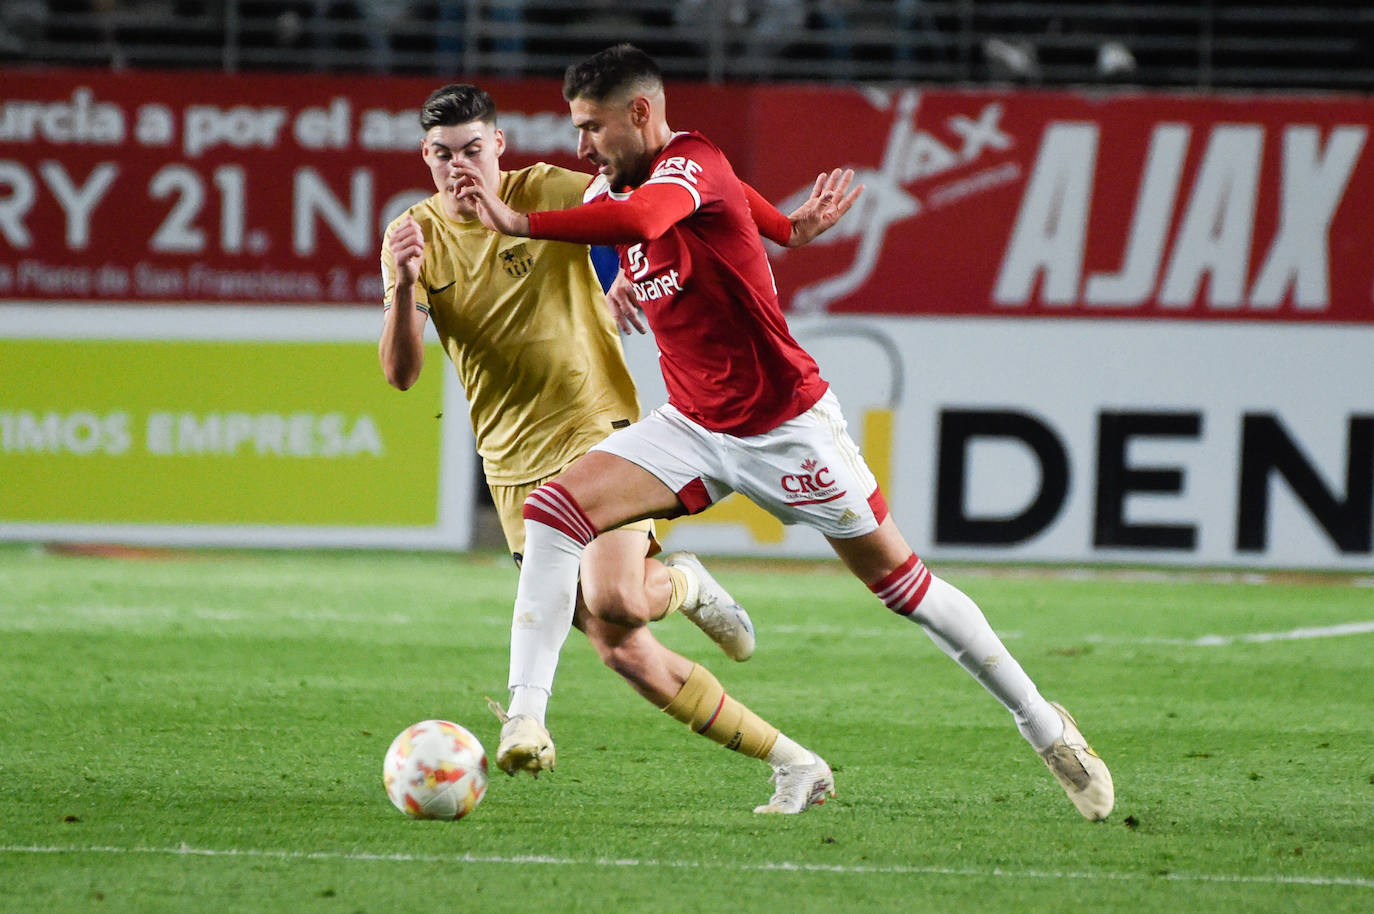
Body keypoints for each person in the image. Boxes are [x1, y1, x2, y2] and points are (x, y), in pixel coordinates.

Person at [455, 43, 1115, 820]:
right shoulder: (618, 185)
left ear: (640, 112)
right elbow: (720, 220)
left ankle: (1046, 728)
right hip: (695, 427)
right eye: (576, 127)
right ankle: (527, 718)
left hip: (787, 429)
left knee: (906, 590)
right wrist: (781, 231)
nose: (582, 146)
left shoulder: (690, 163)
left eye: (593, 127)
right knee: (554, 512)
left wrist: (516, 220)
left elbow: (652, 215)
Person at [379, 83, 857, 810]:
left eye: (473, 149)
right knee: (622, 646)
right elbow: (401, 373)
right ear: (425, 156)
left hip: (594, 429)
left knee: (614, 596)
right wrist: (406, 282)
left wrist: (641, 269)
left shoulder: (548, 190)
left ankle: (549, 695)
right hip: (510, 463)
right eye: (443, 155)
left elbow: (654, 200)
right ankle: (795, 761)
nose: (460, 166)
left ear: (499, 145)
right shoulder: (412, 235)